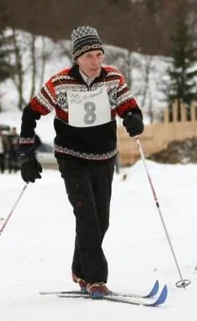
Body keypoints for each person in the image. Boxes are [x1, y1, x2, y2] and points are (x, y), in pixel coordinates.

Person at [17, 25, 144, 299]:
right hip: (72, 158)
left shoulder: (113, 78)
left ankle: (79, 269)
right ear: (77, 58)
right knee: (86, 217)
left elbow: (129, 108)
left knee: (102, 221)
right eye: (89, 56)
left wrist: (134, 119)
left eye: (99, 55)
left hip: (104, 158)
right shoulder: (60, 83)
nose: (95, 62)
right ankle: (96, 279)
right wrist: (26, 154)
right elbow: (30, 113)